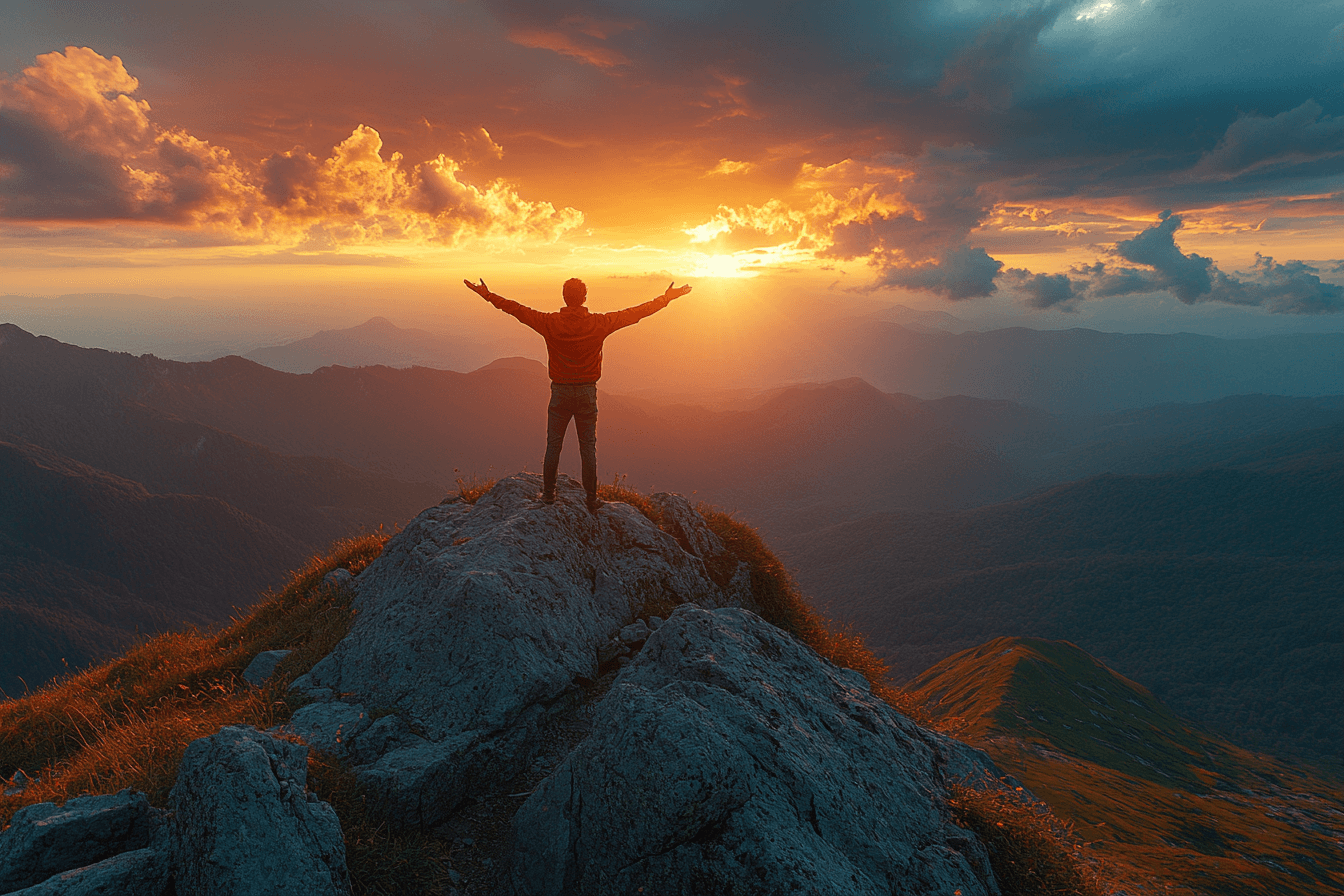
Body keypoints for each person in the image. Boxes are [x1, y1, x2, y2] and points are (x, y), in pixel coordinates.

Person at [464, 276, 691, 513]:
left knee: (553, 446)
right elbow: (634, 313)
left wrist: (487, 294)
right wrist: (665, 299)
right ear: (584, 298)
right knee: (587, 447)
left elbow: (516, 309)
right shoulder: (599, 323)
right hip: (586, 393)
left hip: (560, 392)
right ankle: (591, 499)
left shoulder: (549, 322)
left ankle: (549, 495)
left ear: (564, 297)